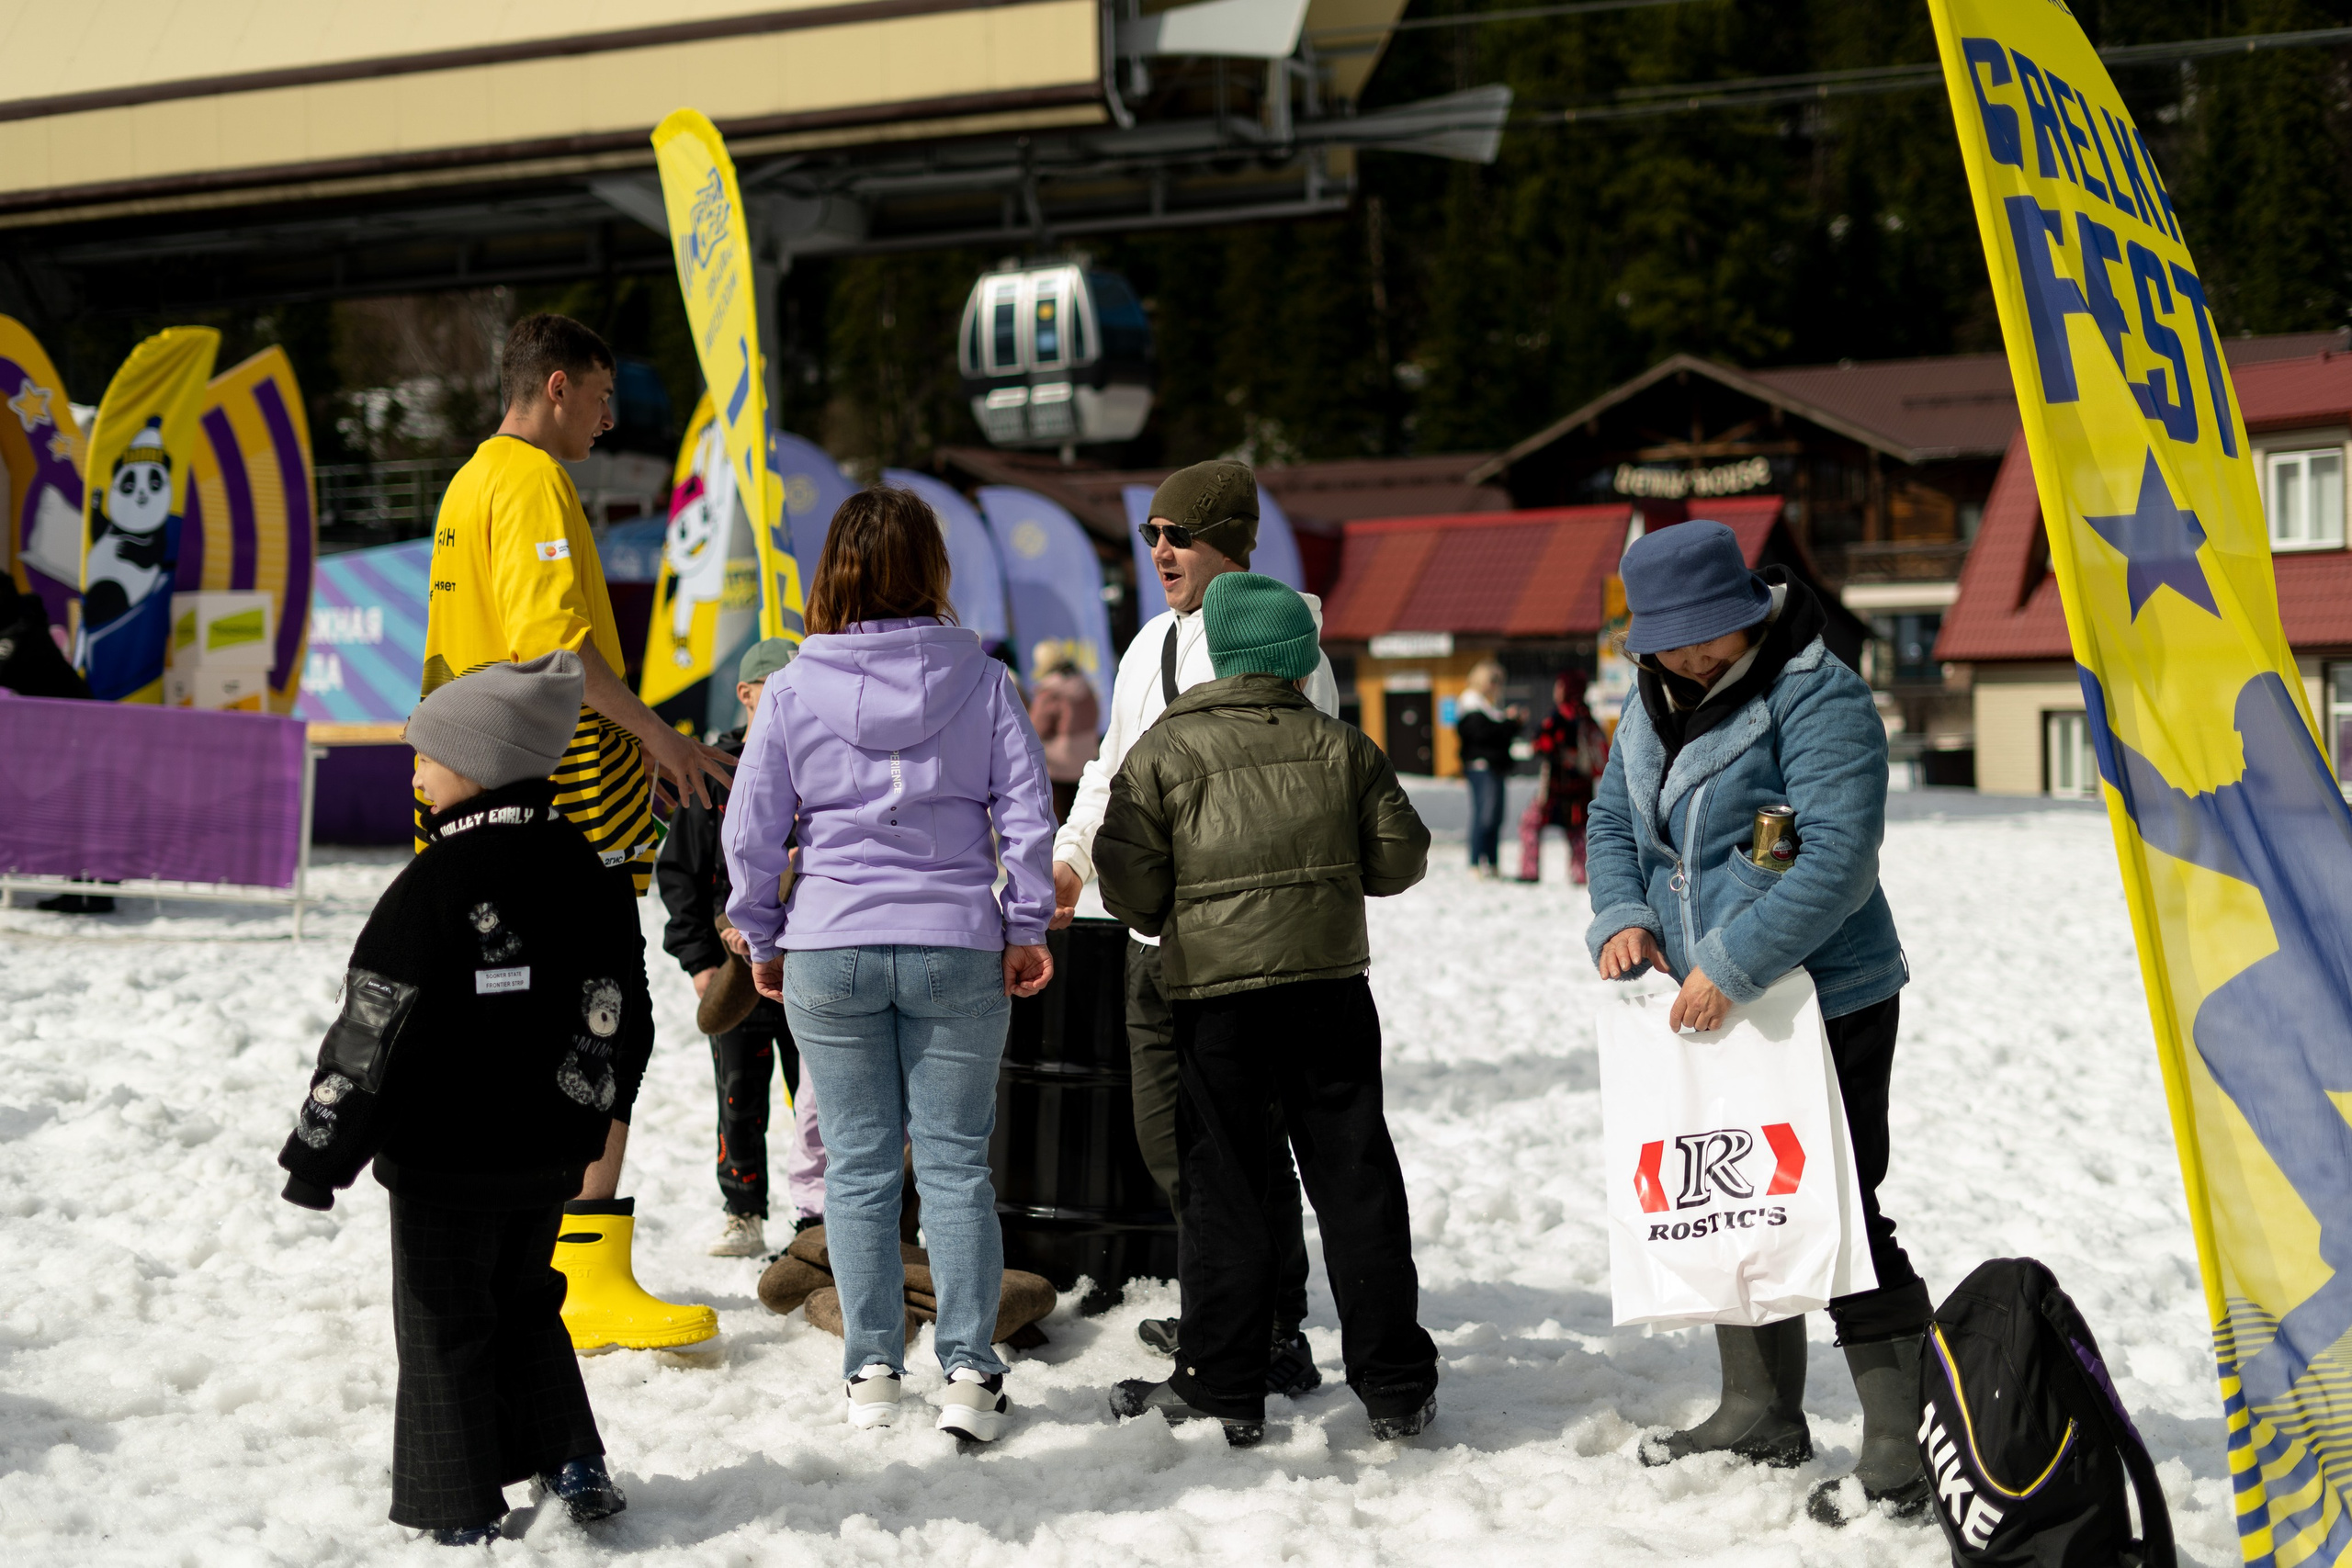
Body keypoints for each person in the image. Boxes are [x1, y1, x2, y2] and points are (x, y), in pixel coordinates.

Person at [1582, 520, 1928, 1524]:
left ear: (1744, 611)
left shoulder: (1817, 693)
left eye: (1705, 637)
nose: (1689, 657)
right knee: (1734, 1191)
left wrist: (1731, 963)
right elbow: (1612, 822)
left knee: (1842, 1208)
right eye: (1670, 641)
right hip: (1694, 1001)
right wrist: (1622, 916)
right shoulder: (1648, 704)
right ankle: (1759, 1408)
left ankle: (1901, 1454)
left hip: (1817, 995)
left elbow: (1837, 858)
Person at [421, 311, 734, 1352]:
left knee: (520, 1031)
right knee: (610, 1023)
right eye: (602, 397)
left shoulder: (469, 482)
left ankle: (525, 1254)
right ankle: (579, 1269)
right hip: (552, 796)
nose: (609, 419)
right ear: (555, 386)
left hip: (473, 790)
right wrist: (662, 740)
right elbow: (559, 648)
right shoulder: (534, 483)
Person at [277, 652, 639, 1544]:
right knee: (523, 1298)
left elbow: (371, 1032)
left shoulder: (432, 884)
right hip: (550, 1152)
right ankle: (573, 1460)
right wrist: (591, 1112)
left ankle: (454, 1503)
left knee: (442, 1323)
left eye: (426, 755)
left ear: (477, 764)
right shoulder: (583, 868)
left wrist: (320, 1153)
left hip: (444, 1157)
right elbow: (619, 1003)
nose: (414, 770)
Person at [724, 484, 1057, 1444]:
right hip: (956, 938)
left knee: (857, 1169)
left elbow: (753, 828)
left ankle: (871, 1366)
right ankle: (968, 1371)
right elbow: (1025, 813)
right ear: (933, 571)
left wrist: (761, 932)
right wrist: (1025, 922)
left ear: (833, 573)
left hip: (829, 940)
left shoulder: (788, 687)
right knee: (955, 1169)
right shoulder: (985, 680)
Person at [1095, 572, 1439, 1447]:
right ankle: (1395, 1384)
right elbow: (1400, 859)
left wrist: (1179, 914)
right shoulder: (1342, 745)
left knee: (1227, 1189)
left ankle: (1224, 1382)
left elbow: (1128, 880)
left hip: (1215, 1002)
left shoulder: (1163, 752)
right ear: (1298, 659)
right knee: (1356, 1182)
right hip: (1329, 989)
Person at [1048, 459, 1334, 1398]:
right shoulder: (1145, 647)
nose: (1161, 551)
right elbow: (1108, 770)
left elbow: (1300, 787)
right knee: (1169, 1138)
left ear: (1229, 545)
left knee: (1243, 1142)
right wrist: (1071, 861)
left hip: (1238, 942)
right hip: (1145, 937)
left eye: (1180, 536)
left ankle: (1268, 1329)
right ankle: (1229, 1300)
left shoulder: (1289, 649)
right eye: (1152, 536)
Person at [655, 637, 826, 1258]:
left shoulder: (824, 766)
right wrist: (700, 960)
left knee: (824, 1095)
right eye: (776, 685)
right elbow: (677, 876)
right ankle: (743, 1209)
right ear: (746, 692)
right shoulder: (713, 772)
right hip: (736, 972)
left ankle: (821, 1216)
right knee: (739, 1091)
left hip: (814, 962)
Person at [1516, 670, 1605, 885]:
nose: (1556, 691)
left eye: (1559, 686)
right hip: (1580, 789)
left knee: (1530, 824)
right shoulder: (1587, 716)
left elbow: (1541, 743)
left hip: (1555, 788)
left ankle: (1529, 872)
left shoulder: (1558, 715)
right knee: (1576, 833)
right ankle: (1579, 875)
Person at [1453, 659, 1521, 877]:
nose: (1497, 686)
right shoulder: (1470, 703)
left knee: (1496, 816)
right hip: (1481, 767)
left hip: (1495, 767)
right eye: (1494, 680)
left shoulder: (1487, 705)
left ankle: (1491, 862)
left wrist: (1510, 724)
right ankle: (1476, 861)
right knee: (1485, 815)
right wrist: (1509, 723)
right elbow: (1484, 734)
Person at [1025, 640, 1100, 822]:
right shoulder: (1085, 685)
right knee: (1084, 816)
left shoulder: (1049, 693)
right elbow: (1096, 714)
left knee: (1060, 821)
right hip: (1086, 759)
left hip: (1058, 767)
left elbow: (1035, 730)